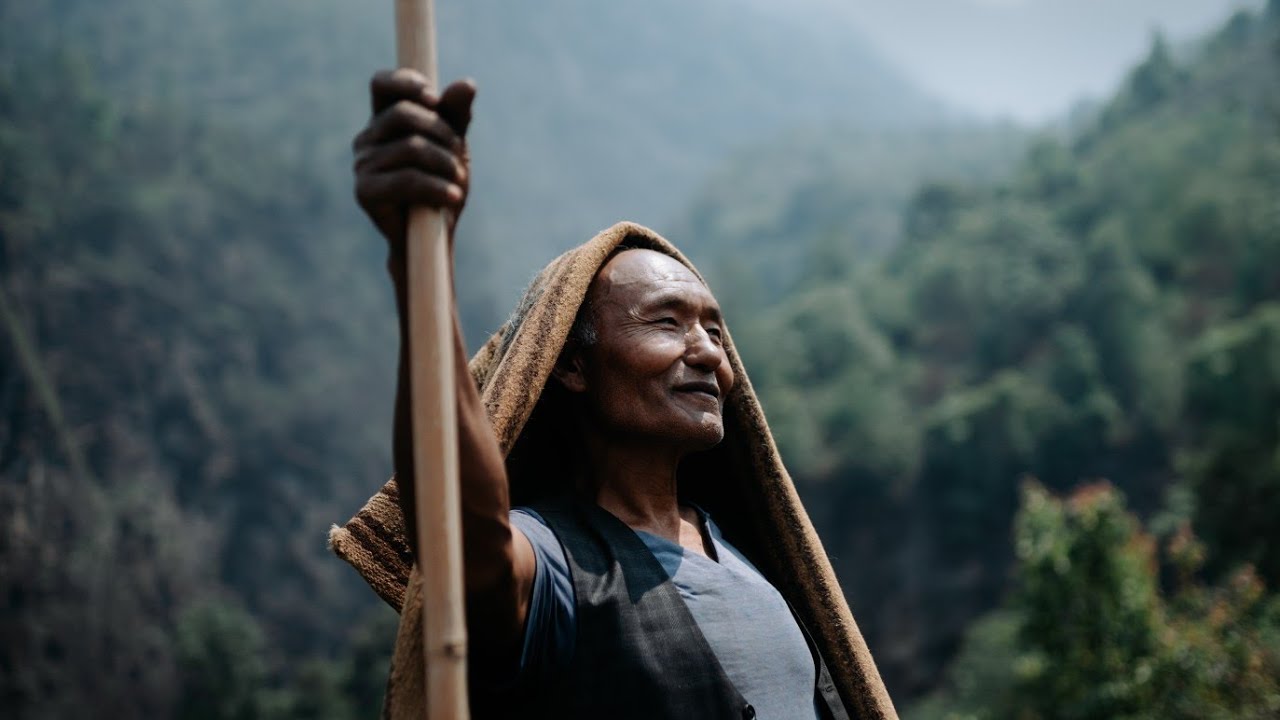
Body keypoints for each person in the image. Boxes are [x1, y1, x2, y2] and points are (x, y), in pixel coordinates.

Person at [346, 69, 896, 719]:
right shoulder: (551, 565)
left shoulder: (756, 563)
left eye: (716, 330)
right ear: (574, 367)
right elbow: (459, 535)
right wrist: (422, 261)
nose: (710, 352)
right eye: (667, 322)